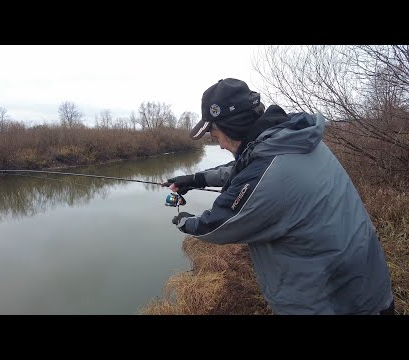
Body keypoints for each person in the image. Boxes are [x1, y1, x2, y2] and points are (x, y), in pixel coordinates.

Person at [162, 78, 395, 315]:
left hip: (332, 303)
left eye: (215, 136)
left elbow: (217, 224)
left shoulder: (267, 173)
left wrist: (185, 221)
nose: (220, 145)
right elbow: (247, 169)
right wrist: (196, 179)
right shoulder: (293, 140)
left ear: (231, 127)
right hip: (367, 286)